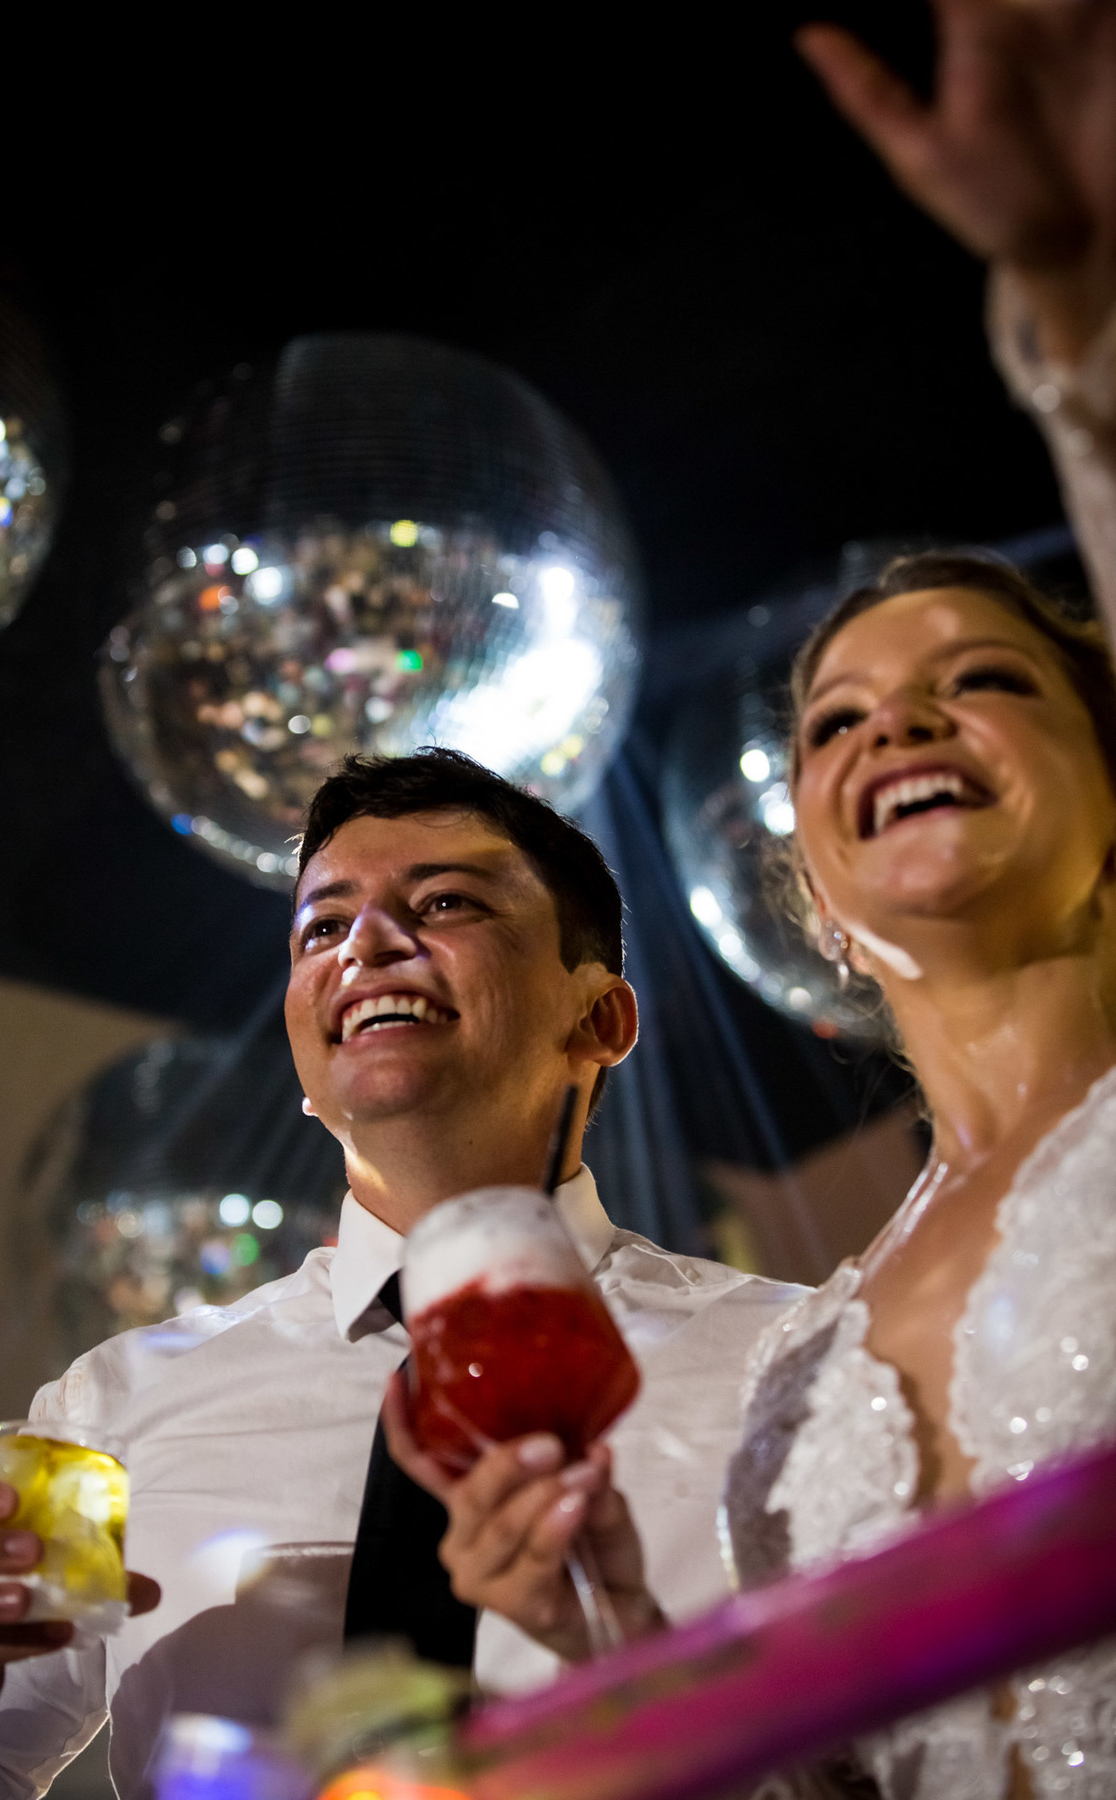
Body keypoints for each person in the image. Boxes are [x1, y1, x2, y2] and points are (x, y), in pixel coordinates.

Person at [381, 3, 1116, 1792]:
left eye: (984, 679)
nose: (903, 725)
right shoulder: (796, 1372)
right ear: (816, 883)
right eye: (840, 720)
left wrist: (1083, 295)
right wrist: (615, 1628)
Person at [0, 751, 801, 1798]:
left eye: (446, 903)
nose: (369, 944)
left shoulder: (795, 1361)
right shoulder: (111, 1409)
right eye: (322, 927)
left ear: (599, 1019)